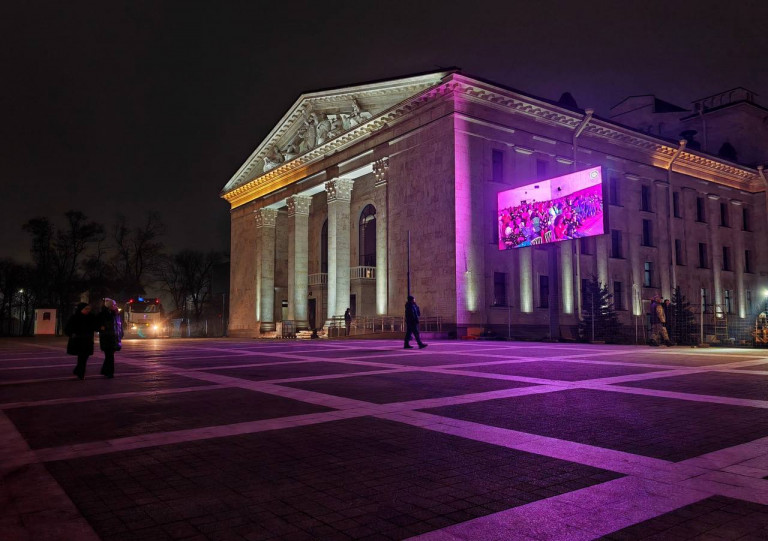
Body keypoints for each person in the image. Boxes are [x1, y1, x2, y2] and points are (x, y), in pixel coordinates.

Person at [65, 302, 97, 380]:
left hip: (88, 340)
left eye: (89, 309)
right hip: (78, 340)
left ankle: (78, 370)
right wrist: (71, 334)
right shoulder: (75, 317)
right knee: (82, 357)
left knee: (84, 357)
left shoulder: (91, 317)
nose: (88, 310)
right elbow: (67, 328)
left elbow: (96, 326)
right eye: (86, 309)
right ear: (81, 309)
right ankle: (81, 374)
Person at [98, 298, 124, 378]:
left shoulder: (116, 314)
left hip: (114, 338)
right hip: (107, 338)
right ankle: (109, 373)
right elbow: (101, 325)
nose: (115, 306)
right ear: (109, 306)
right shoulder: (105, 314)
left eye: (115, 305)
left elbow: (119, 325)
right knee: (110, 356)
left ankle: (105, 371)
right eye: (114, 305)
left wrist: (121, 333)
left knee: (109, 356)